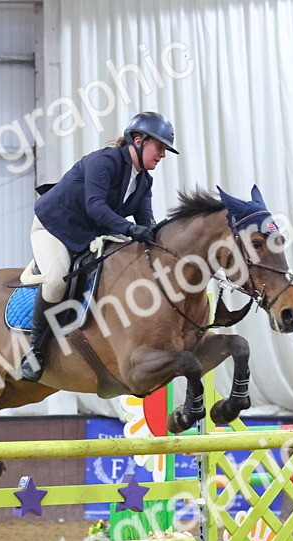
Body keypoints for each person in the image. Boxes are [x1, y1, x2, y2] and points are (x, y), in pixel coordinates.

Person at [20, 111, 179, 382]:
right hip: (54, 227)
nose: (162, 154)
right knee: (58, 280)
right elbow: (96, 207)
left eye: (165, 149)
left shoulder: (143, 181)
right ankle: (35, 350)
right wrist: (130, 229)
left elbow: (145, 222)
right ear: (138, 141)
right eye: (160, 147)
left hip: (89, 232)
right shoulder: (104, 161)